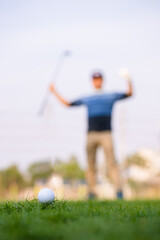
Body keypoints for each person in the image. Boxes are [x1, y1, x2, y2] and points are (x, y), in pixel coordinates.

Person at [49, 71, 133, 199]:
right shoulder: (88, 98)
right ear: (92, 81)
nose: (97, 81)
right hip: (91, 135)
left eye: (99, 79)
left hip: (106, 134)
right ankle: (92, 192)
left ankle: (119, 191)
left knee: (112, 163)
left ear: (102, 81)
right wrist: (54, 92)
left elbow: (129, 94)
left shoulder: (110, 96)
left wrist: (128, 79)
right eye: (95, 79)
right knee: (90, 165)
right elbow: (68, 104)